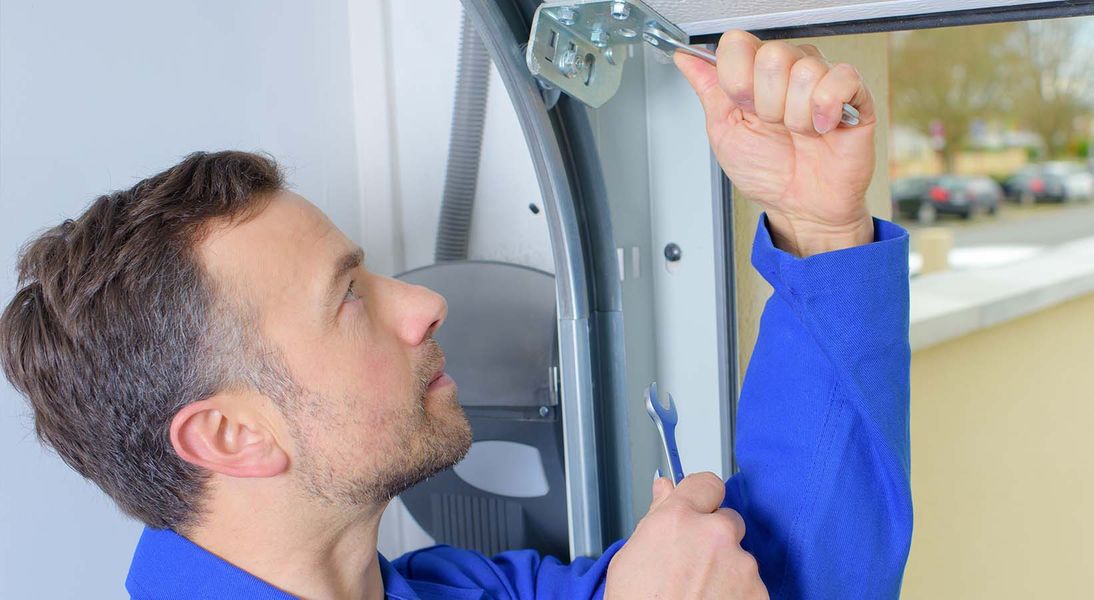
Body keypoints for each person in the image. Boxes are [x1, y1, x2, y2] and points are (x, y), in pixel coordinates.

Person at [0, 30, 911, 599]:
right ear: (234, 435)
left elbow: (791, 579)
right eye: (348, 298)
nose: (426, 303)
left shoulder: (464, 590)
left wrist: (819, 225)